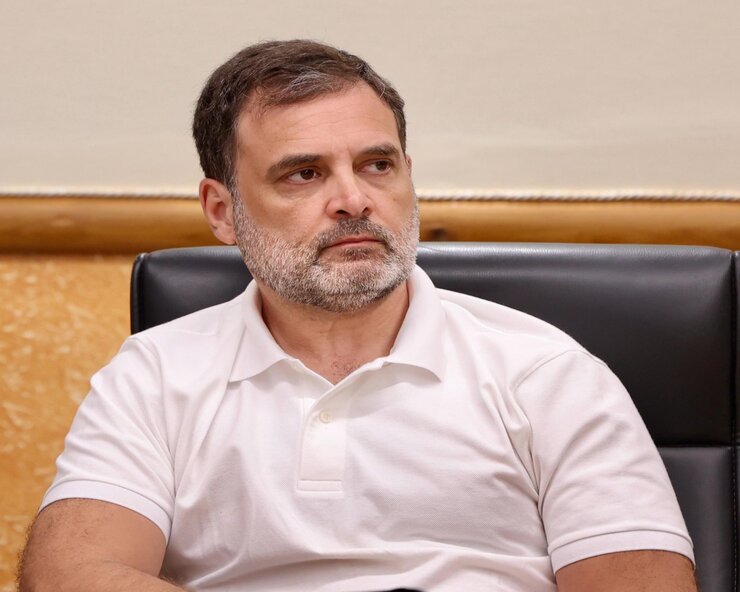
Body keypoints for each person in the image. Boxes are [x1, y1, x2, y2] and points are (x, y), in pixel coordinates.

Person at [19, 40, 697, 592]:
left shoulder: (548, 375)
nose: (354, 200)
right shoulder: (154, 375)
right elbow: (66, 577)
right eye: (304, 174)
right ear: (223, 212)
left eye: (377, 165)